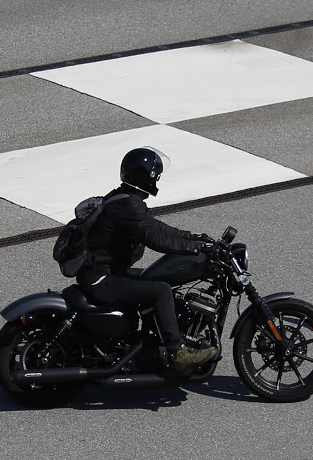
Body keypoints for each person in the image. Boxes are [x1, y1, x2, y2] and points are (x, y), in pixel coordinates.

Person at [75, 147, 219, 373]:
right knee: (160, 290)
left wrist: (196, 238)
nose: (159, 179)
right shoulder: (127, 205)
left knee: (154, 278)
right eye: (157, 175)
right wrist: (195, 249)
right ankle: (178, 352)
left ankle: (149, 342)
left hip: (106, 272)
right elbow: (156, 238)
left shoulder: (123, 198)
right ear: (147, 178)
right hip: (101, 278)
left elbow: (157, 228)